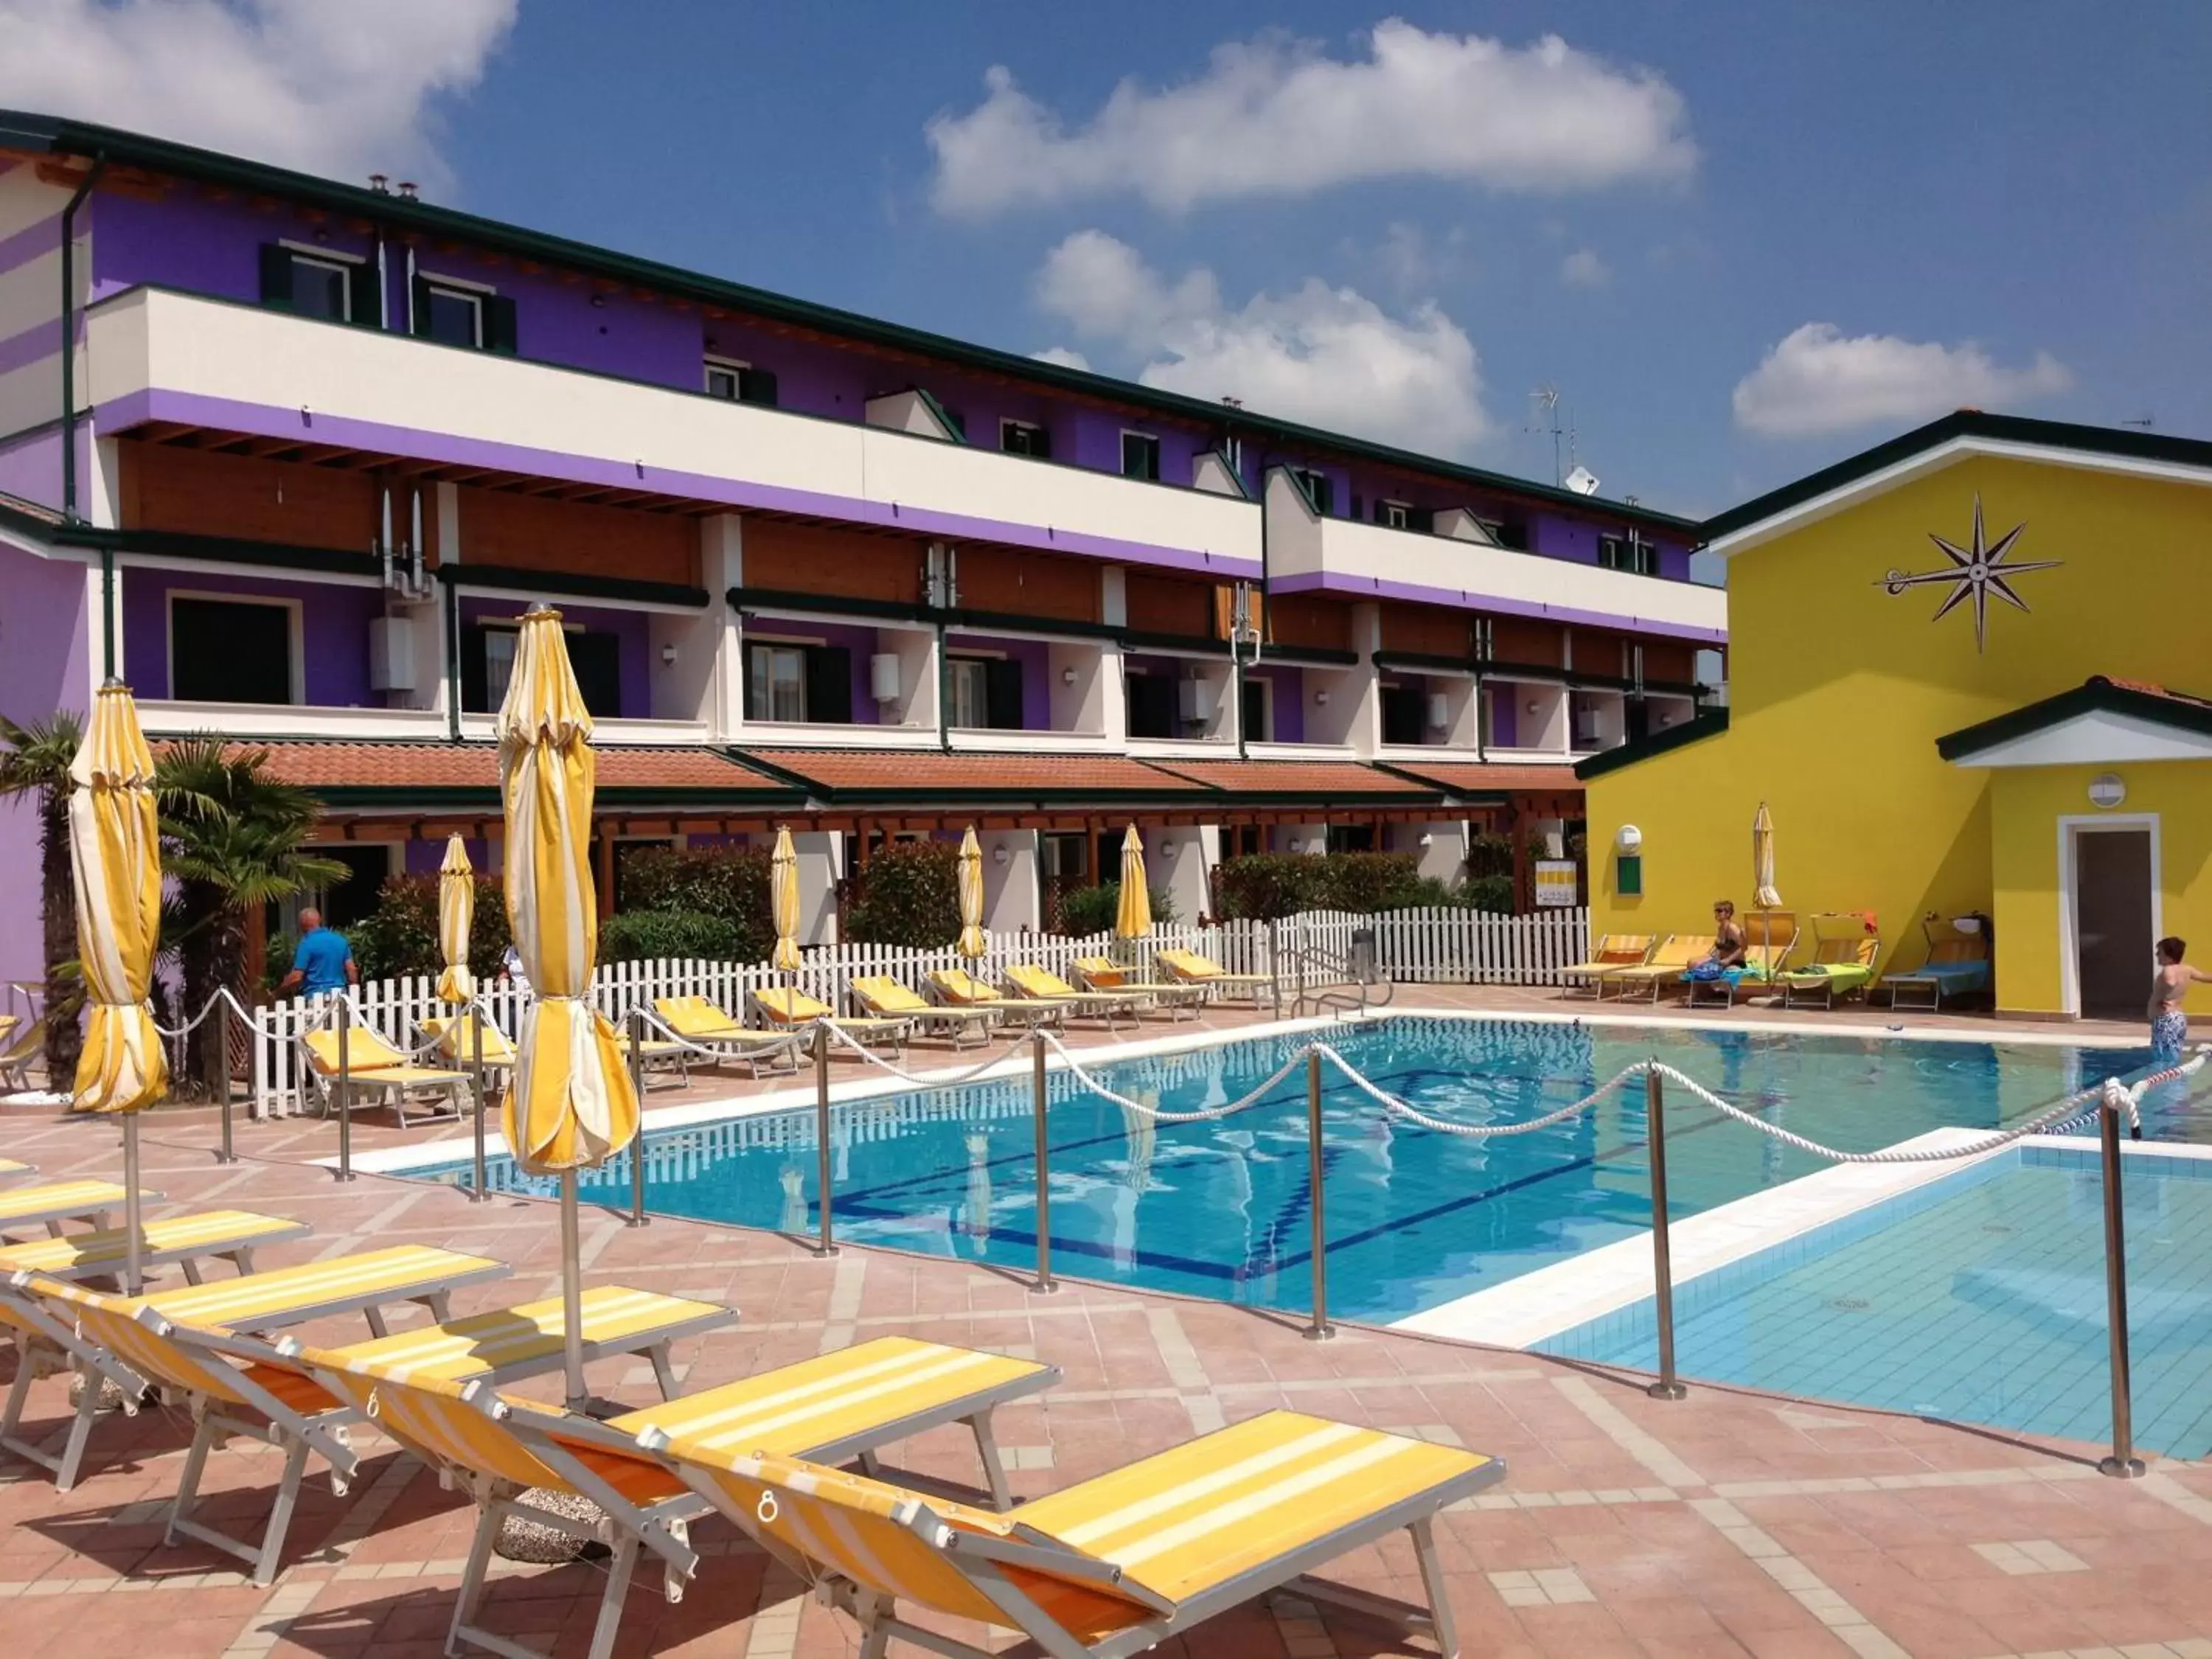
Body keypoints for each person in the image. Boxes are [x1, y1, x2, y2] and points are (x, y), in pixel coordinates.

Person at [2149, 936, 2208, 1056]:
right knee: (2173, 1053)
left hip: (2166, 1019)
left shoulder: (2168, 969)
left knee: (2162, 1056)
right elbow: (2205, 978)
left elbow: (2171, 982)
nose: (2157, 955)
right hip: (2178, 1018)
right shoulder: (2188, 969)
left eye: (2159, 952)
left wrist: (2162, 998)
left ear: (2168, 955)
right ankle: (2177, 1074)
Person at [279, 908, 356, 998]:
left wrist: (279, 991)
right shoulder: (341, 940)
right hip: (340, 995)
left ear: (302, 924)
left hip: (315, 996)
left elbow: (297, 977)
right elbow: (352, 971)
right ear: (320, 920)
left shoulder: (306, 944)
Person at [1687, 900, 1747, 980]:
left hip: (1734, 962)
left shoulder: (1733, 929)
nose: (1716, 913)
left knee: (1729, 972)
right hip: (1721, 960)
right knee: (1692, 963)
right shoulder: (1721, 928)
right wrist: (1707, 956)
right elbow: (1717, 947)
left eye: (1720, 911)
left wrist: (1728, 960)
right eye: (1716, 911)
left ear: (1728, 913)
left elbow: (1744, 947)